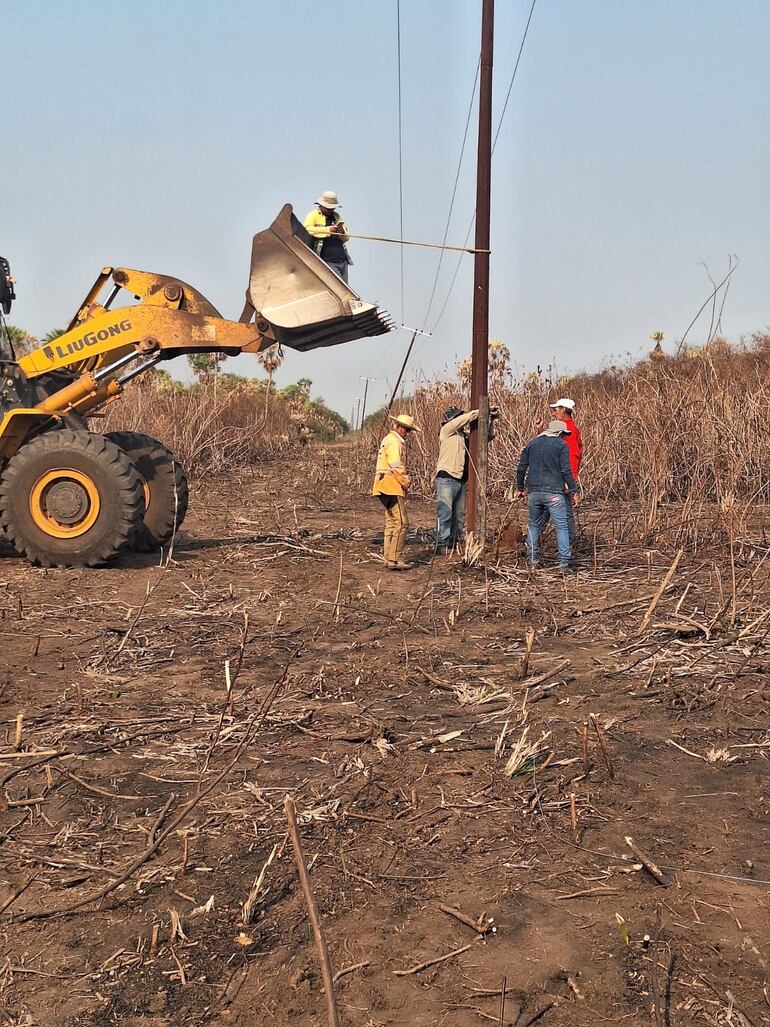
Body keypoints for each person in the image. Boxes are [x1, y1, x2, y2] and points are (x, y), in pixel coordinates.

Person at [515, 419, 579, 572]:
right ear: (558, 433)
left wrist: (520, 488)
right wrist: (574, 490)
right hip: (554, 493)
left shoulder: (532, 444)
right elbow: (565, 471)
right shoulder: (561, 445)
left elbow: (521, 467)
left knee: (534, 526)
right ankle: (563, 563)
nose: (564, 437)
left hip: (534, 492)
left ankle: (533, 561)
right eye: (563, 434)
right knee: (562, 527)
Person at [372, 413, 421, 570]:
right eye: (406, 430)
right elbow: (396, 465)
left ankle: (388, 558)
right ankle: (396, 559)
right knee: (402, 523)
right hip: (391, 485)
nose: (407, 433)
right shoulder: (395, 442)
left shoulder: (388, 439)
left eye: (409, 431)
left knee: (391, 522)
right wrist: (406, 482)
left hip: (382, 485)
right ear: (398, 427)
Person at [435, 406, 479, 553]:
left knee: (459, 516)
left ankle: (454, 543)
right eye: (459, 416)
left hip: (460, 480)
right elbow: (462, 420)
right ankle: (442, 544)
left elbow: (486, 437)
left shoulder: (464, 436)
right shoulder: (446, 431)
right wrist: (478, 412)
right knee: (445, 513)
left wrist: (490, 420)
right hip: (446, 478)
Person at [547, 397, 583, 542]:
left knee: (565, 513)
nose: (553, 412)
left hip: (563, 479)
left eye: (555, 409)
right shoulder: (564, 428)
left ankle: (569, 544)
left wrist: (571, 482)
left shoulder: (569, 430)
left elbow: (573, 455)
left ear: (563, 410)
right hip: (560, 477)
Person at [303, 191, 352, 282]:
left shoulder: (337, 216)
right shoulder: (313, 215)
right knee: (339, 287)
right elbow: (307, 230)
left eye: (333, 208)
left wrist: (342, 232)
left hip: (342, 259)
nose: (331, 210)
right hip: (326, 260)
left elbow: (347, 237)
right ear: (321, 205)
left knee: (345, 290)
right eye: (329, 208)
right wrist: (328, 230)